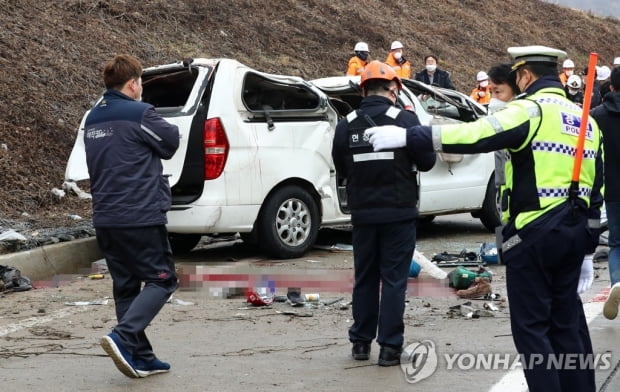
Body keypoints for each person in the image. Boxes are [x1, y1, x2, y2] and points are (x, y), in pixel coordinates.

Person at [365, 46, 603, 392]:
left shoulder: (530, 110)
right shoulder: (586, 121)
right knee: (568, 326)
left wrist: (410, 135)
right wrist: (586, 249)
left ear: (524, 75)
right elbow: (597, 187)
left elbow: (476, 134)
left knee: (533, 330)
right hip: (575, 234)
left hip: (534, 234)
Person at [331, 61, 436, 366]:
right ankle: (390, 348)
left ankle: (360, 344)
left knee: (365, 278)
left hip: (363, 214)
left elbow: (341, 166)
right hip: (398, 212)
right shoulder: (405, 119)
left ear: (363, 91)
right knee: (393, 280)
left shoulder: (346, 124)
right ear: (394, 89)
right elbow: (427, 161)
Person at [84, 54, 180, 378]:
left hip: (106, 218)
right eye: (140, 83)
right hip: (139, 216)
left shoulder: (93, 119)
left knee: (126, 287)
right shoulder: (140, 113)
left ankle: (140, 356)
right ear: (133, 84)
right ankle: (123, 338)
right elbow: (171, 142)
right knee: (162, 279)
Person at [591, 66, 620, 320]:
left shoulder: (596, 116)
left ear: (611, 87)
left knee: (616, 244)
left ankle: (617, 283)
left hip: (611, 189)